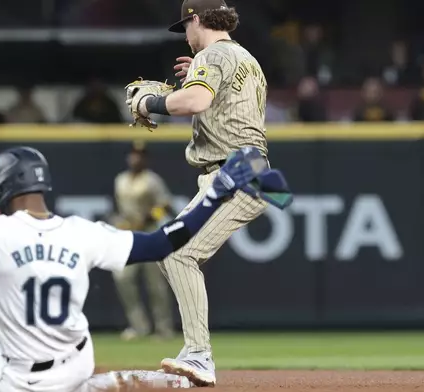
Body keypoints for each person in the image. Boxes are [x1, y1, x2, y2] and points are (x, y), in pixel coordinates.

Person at [0, 94, 282, 392]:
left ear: (2, 189)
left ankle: (99, 382)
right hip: (77, 363)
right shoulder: (83, 232)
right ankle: (100, 385)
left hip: (19, 376)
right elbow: (163, 243)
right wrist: (215, 194)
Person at [124, 0, 286, 387]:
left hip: (235, 172)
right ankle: (195, 350)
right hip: (244, 170)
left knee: (178, 251)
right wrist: (195, 76)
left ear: (196, 19)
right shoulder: (244, 57)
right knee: (171, 249)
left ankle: (199, 354)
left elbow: (197, 101)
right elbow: (215, 100)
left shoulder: (212, 54)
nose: (187, 38)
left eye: (186, 29)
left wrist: (150, 101)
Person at [110, 142, 176, 341]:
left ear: (145, 159)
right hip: (127, 235)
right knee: (123, 278)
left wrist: (148, 218)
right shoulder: (120, 180)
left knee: (155, 284)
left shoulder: (152, 181)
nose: (135, 158)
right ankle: (139, 326)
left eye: (140, 155)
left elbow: (165, 206)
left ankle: (163, 328)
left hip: (150, 234)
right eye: (133, 155)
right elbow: (118, 206)